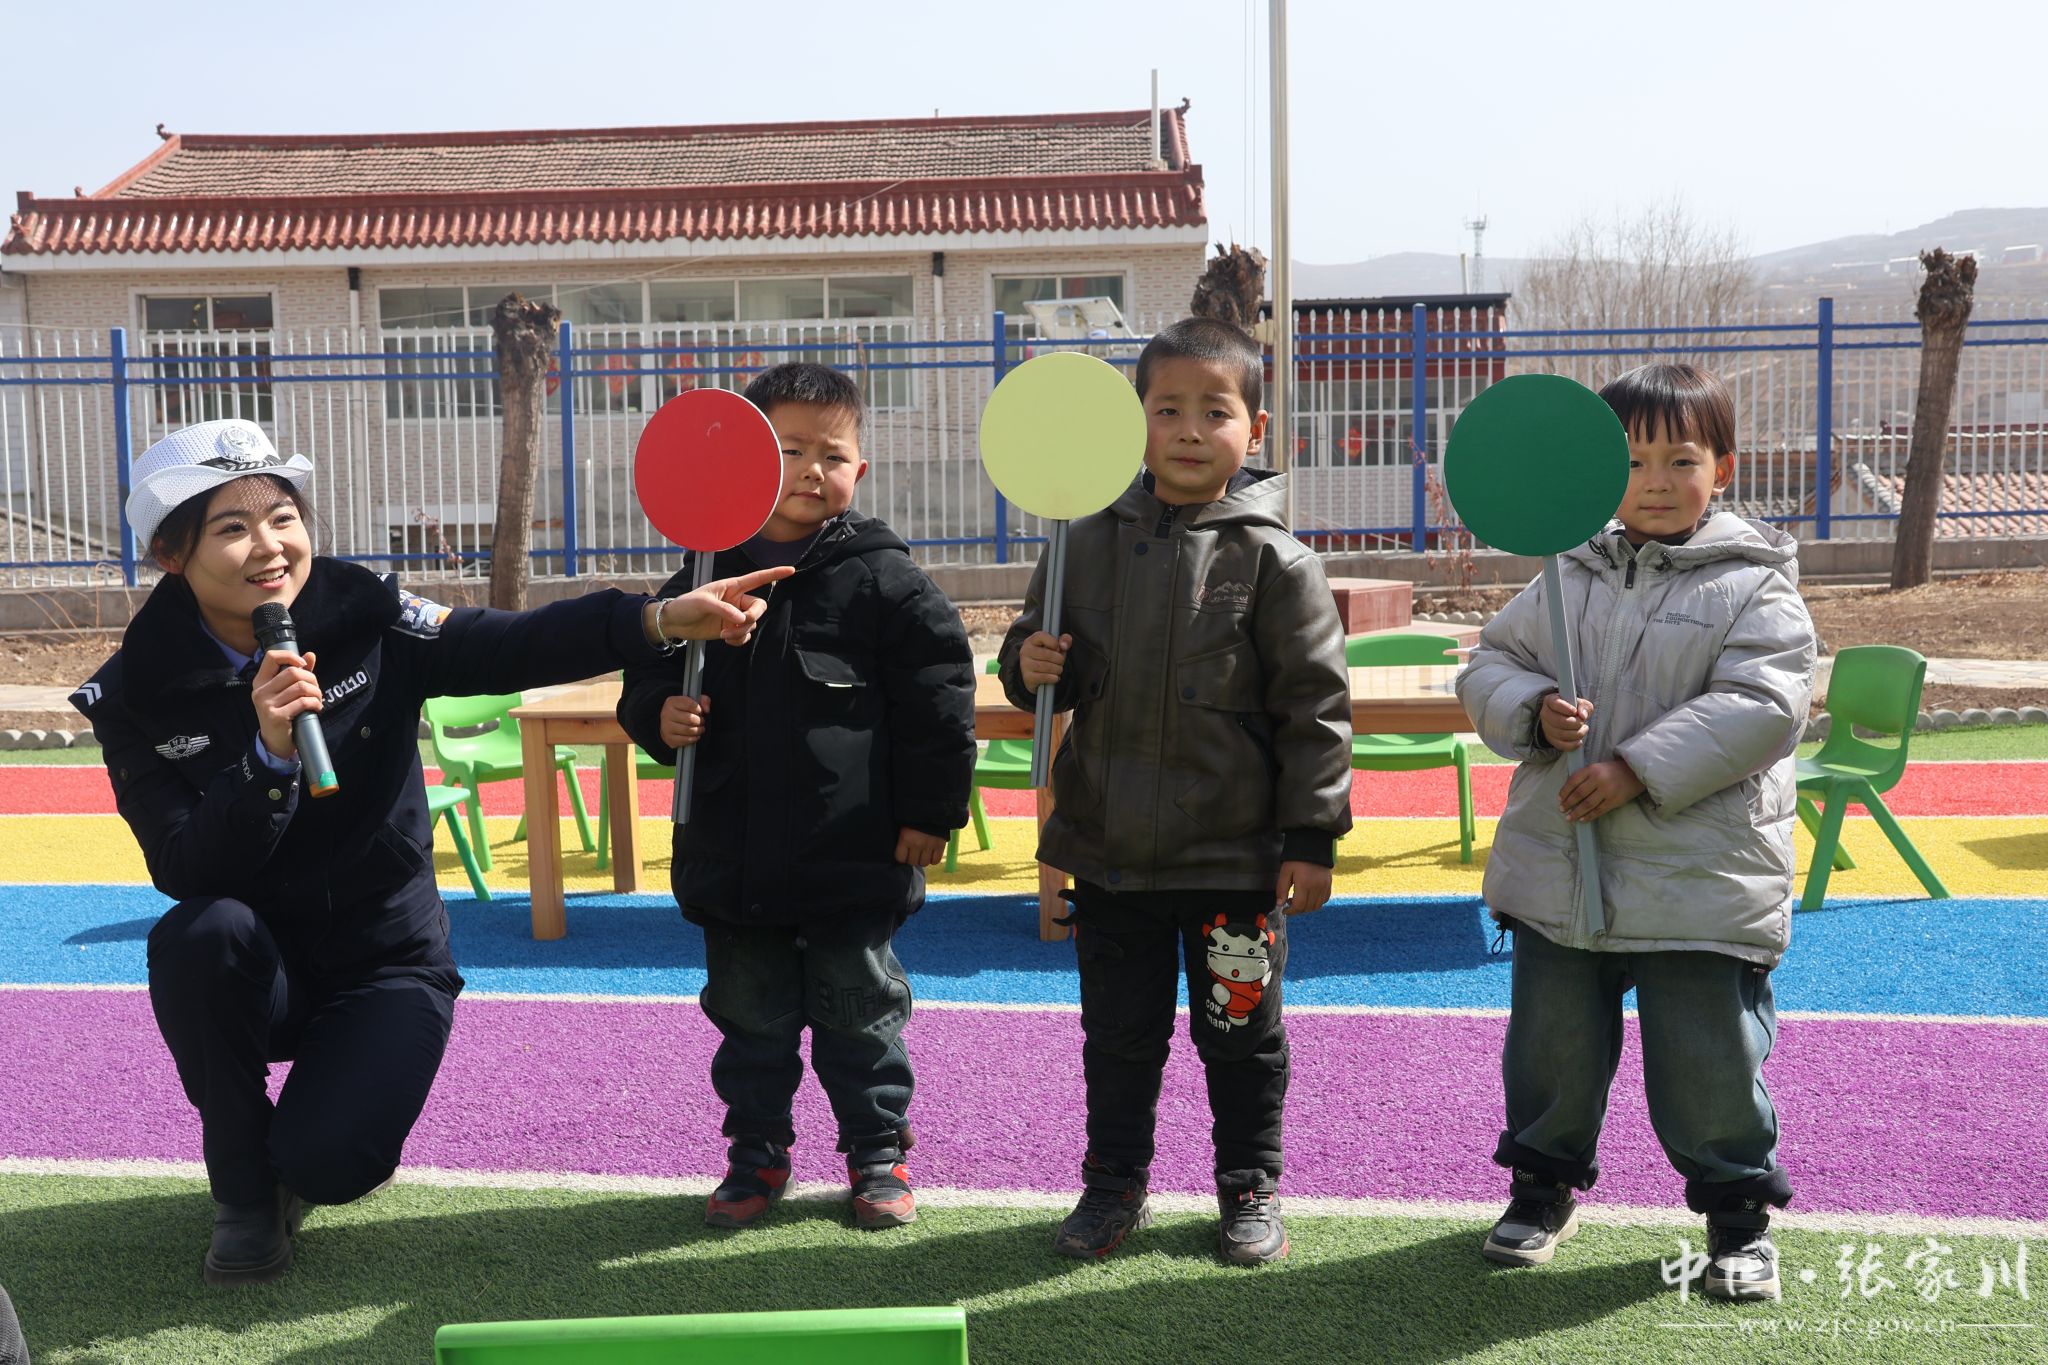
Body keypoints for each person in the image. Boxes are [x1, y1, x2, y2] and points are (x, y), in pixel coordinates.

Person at [71, 418, 787, 1286]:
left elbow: (508, 642)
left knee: (332, 1162)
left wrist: (656, 620)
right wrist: (266, 760)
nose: (270, 546)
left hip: (386, 956)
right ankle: (244, 1191)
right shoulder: (135, 692)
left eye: (283, 517)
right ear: (170, 555)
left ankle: (299, 1160)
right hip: (263, 962)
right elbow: (185, 867)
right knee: (198, 933)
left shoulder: (365, 612)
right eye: (232, 527)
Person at [1455, 363, 1816, 1301]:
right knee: (1552, 1047)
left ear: (1722, 468)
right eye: (1631, 461)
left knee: (1707, 1059)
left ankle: (1738, 1217)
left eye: (1680, 459)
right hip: (1560, 873)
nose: (1655, 481)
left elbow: (1765, 704)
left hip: (1700, 877)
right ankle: (1541, 1188)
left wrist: (1635, 768)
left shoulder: (1754, 585)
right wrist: (1534, 710)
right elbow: (1491, 662)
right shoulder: (1565, 572)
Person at [996, 317, 1354, 1265]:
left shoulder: (1277, 560)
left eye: (1215, 410)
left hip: (1235, 863)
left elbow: (1316, 710)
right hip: (1109, 855)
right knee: (1119, 1037)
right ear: (1135, 421)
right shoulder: (1080, 539)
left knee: (1242, 1036)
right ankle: (1114, 1183)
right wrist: (1028, 662)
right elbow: (1038, 664)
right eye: (1167, 409)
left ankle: (1249, 1184)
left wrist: (1311, 837)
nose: (1190, 429)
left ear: (1256, 427)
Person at [617, 364, 975, 1231]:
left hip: (853, 857)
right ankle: (757, 1151)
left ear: (861, 470)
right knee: (750, 1020)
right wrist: (659, 717)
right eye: (788, 450)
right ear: (743, 463)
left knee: (862, 1015)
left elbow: (940, 699)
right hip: (733, 859)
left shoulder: (885, 578)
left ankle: (877, 1151)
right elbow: (645, 680)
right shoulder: (698, 577)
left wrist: (930, 813)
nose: (813, 469)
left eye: (833, 454)